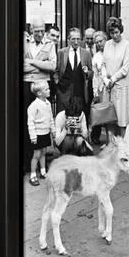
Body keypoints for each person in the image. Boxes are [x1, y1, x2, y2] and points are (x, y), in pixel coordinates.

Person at [23, 18, 57, 171]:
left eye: (42, 30)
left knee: (42, 121)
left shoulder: (49, 44)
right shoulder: (25, 41)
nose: (40, 34)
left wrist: (32, 62)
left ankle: (42, 160)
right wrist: (39, 65)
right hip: (27, 85)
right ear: (31, 29)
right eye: (37, 31)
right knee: (28, 121)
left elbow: (52, 65)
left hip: (42, 86)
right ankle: (27, 160)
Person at [103, 17, 129, 137]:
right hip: (108, 86)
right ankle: (111, 149)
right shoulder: (107, 44)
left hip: (120, 86)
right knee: (109, 119)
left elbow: (125, 69)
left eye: (116, 32)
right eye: (111, 33)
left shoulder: (127, 45)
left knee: (121, 120)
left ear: (121, 30)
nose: (114, 35)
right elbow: (103, 64)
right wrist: (105, 79)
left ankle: (123, 150)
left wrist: (112, 79)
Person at [55, 27, 93, 114]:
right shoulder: (61, 52)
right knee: (63, 120)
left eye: (78, 39)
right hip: (64, 93)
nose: (76, 42)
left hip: (80, 94)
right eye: (73, 39)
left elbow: (91, 74)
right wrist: (57, 83)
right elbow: (56, 71)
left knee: (80, 120)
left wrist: (87, 72)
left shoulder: (86, 54)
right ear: (68, 39)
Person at [27, 81, 57, 186]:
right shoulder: (33, 106)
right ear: (39, 93)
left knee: (44, 152)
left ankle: (43, 172)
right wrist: (33, 136)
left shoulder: (48, 103)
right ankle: (33, 175)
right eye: (46, 89)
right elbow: (30, 122)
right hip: (38, 134)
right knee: (36, 154)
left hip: (46, 133)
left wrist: (53, 130)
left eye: (48, 88)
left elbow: (50, 118)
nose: (49, 90)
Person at [90, 30, 108, 144]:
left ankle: (111, 140)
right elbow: (95, 77)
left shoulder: (111, 52)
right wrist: (95, 93)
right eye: (96, 42)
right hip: (101, 89)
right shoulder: (96, 57)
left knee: (110, 115)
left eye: (101, 41)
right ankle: (97, 137)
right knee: (102, 114)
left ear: (106, 40)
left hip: (111, 87)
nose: (99, 44)